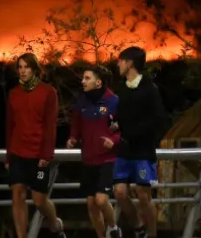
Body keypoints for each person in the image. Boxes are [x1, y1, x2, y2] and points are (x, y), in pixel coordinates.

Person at [5, 52, 66, 238]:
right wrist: (8, 155)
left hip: (38, 153)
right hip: (17, 152)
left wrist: (46, 155)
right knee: (17, 195)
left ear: (35, 69)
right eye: (20, 67)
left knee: (39, 201)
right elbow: (10, 126)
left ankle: (56, 225)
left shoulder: (48, 92)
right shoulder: (13, 94)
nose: (22, 71)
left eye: (26, 67)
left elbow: (50, 126)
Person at [111, 47, 170, 238]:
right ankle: (138, 226)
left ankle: (152, 235)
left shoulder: (149, 89)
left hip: (143, 150)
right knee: (119, 192)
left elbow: (160, 119)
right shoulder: (122, 90)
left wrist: (148, 139)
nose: (118, 64)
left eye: (121, 60)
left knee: (143, 194)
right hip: (125, 148)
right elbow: (121, 117)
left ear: (130, 63)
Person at [67, 66, 122, 238]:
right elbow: (76, 125)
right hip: (88, 159)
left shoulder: (114, 101)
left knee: (101, 199)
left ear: (98, 82)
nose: (82, 81)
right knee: (91, 204)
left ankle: (113, 228)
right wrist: (72, 138)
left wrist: (112, 141)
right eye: (83, 78)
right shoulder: (81, 101)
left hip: (108, 160)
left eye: (87, 78)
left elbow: (124, 128)